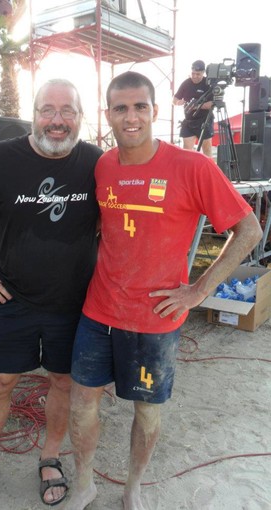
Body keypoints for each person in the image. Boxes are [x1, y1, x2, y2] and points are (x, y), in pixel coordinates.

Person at [65, 71, 262, 510]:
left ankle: (133, 485)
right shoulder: (102, 165)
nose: (130, 117)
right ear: (109, 115)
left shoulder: (192, 166)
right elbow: (102, 229)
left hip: (154, 320)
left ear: (155, 111)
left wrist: (198, 291)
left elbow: (248, 229)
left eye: (139, 107)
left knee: (146, 411)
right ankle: (84, 484)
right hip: (99, 312)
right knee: (81, 405)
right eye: (120, 108)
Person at [0, 78, 103, 509]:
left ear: (81, 116)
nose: (58, 120)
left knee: (62, 383)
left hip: (75, 303)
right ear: (34, 113)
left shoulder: (96, 163)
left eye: (68, 110)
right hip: (13, 299)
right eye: (48, 109)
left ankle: (50, 458)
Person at [173, 60, 214, 157]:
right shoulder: (186, 83)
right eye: (193, 73)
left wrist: (196, 106)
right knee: (186, 151)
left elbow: (213, 103)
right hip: (189, 121)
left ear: (203, 72)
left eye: (198, 74)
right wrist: (178, 102)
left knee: (207, 149)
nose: (194, 76)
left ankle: (208, 171)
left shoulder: (208, 83)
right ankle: (188, 171)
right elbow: (174, 99)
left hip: (204, 120)